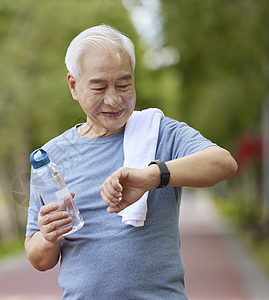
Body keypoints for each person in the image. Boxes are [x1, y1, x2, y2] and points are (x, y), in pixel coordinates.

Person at [24, 24, 237, 299]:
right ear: (74, 86)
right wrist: (49, 236)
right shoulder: (51, 157)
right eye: (99, 87)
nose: (114, 99)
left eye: (124, 85)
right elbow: (39, 258)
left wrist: (153, 176)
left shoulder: (159, 132)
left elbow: (224, 164)